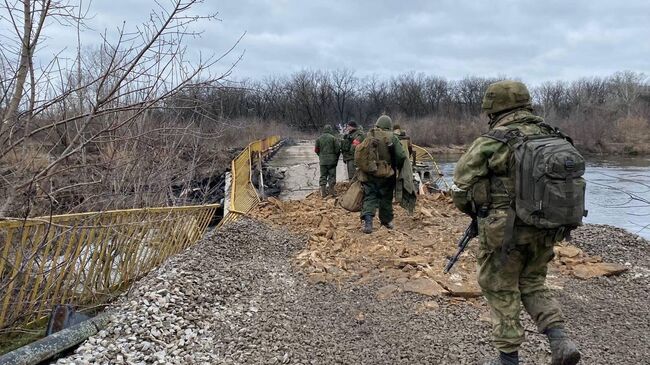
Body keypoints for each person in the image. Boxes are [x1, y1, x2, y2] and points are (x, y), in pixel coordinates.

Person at [452, 80, 581, 365]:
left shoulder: (494, 141)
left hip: (505, 233)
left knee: (500, 286)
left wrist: (475, 210)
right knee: (533, 282)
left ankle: (508, 359)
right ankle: (559, 339)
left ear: (493, 109)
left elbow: (461, 182)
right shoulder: (555, 136)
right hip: (547, 228)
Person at [356, 115, 406, 233]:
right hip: (386, 174)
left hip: (369, 172)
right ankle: (386, 221)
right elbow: (401, 156)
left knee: (370, 196)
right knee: (386, 197)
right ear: (389, 125)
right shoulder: (392, 137)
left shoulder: (368, 135)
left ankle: (368, 223)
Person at [314, 124, 340, 197]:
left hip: (322, 161)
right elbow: (337, 149)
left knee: (323, 176)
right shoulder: (333, 138)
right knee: (332, 175)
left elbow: (316, 150)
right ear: (330, 130)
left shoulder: (319, 139)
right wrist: (334, 156)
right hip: (332, 161)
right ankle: (332, 191)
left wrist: (321, 155)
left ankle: (323, 192)